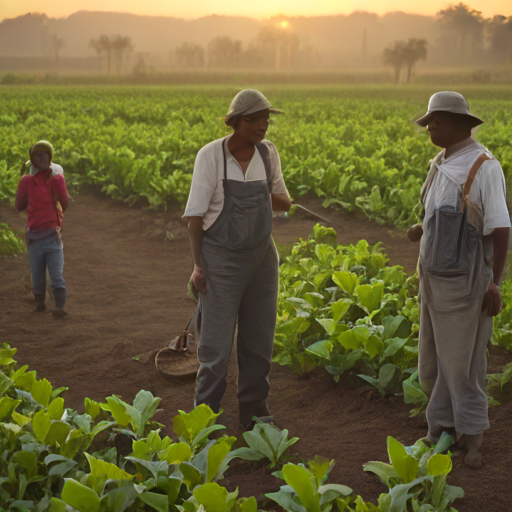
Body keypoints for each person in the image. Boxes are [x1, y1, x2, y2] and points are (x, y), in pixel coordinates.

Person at [412, 92, 510, 468]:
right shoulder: (441, 162)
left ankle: (472, 440)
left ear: (458, 123)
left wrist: (494, 283)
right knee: (432, 363)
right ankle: (440, 430)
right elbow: (443, 216)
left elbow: (500, 228)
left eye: (436, 120)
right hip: (433, 283)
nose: (430, 126)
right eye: (429, 121)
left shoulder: (483, 166)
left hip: (466, 286)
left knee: (464, 367)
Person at [183, 89, 292, 429]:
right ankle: (206, 418)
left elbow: (281, 199)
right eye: (254, 120)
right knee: (215, 347)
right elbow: (195, 218)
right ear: (234, 122)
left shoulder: (268, 153)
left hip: (262, 257)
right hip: (220, 259)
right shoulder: (211, 156)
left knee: (259, 339)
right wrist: (198, 266)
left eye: (266, 119)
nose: (263, 125)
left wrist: (276, 200)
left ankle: (254, 411)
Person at [15, 140, 70, 318]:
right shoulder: (27, 182)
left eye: (44, 154)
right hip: (35, 238)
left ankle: (60, 307)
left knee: (56, 275)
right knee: (38, 278)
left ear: (50, 157)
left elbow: (65, 203)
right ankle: (40, 304)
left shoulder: (55, 179)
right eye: (38, 155)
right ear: (32, 159)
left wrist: (57, 186)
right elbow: (19, 205)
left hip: (52, 236)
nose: (42, 157)